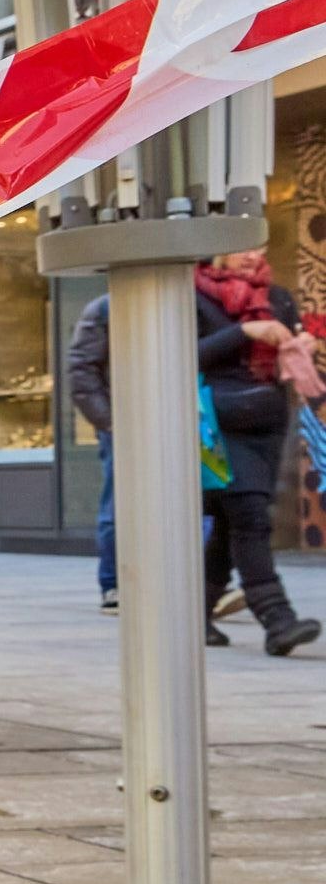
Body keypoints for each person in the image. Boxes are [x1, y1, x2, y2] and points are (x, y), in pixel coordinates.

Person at [193, 250, 322, 656]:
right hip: (218, 422)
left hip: (268, 422)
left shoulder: (277, 297)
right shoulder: (192, 295)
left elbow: (292, 349)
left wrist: (302, 344)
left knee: (232, 521)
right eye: (242, 247)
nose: (252, 255)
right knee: (249, 515)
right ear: (219, 249)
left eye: (258, 247)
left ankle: (192, 616)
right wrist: (246, 332)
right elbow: (184, 355)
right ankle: (276, 618)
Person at [65, 293, 118, 609]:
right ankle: (112, 584)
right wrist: (109, 422)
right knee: (117, 504)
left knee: (200, 503)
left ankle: (203, 580)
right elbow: (82, 371)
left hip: (185, 421)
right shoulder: (104, 308)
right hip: (122, 425)